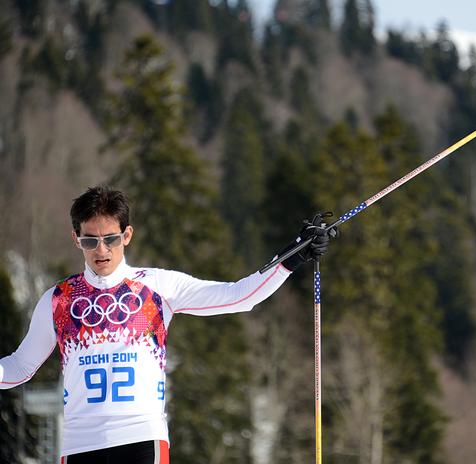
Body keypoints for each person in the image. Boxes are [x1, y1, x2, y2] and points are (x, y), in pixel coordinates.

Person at [0, 186, 337, 463]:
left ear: (127, 235)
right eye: (90, 241)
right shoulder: (59, 299)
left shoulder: (157, 287)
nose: (101, 250)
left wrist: (292, 256)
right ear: (77, 239)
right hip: (79, 445)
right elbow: (19, 366)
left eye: (111, 239)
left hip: (141, 438)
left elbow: (238, 296)